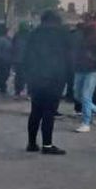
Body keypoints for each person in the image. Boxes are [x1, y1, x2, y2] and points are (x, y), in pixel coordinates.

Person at [23, 10, 71, 155]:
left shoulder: (33, 34)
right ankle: (47, 145)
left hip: (36, 78)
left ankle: (31, 143)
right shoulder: (62, 35)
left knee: (35, 111)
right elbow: (68, 57)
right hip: (55, 78)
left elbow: (26, 57)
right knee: (49, 112)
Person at [70, 12, 96, 133]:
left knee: (85, 95)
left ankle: (85, 122)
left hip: (94, 69)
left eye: (89, 19)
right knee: (77, 95)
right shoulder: (80, 34)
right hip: (80, 68)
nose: (86, 21)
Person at [0, 25, 13, 94]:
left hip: (7, 59)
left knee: (5, 74)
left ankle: (1, 85)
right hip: (3, 60)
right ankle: (2, 86)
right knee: (4, 74)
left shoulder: (7, 39)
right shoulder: (2, 40)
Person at [12, 23, 31, 97]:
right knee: (29, 77)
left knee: (18, 76)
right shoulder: (30, 35)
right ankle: (29, 92)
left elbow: (13, 46)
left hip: (18, 59)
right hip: (28, 59)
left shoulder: (17, 35)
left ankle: (17, 92)